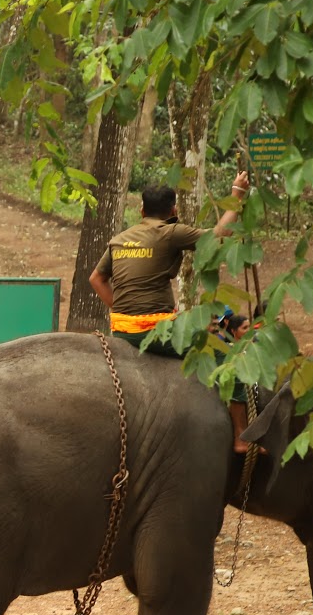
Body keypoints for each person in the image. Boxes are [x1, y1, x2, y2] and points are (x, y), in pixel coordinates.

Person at [90, 174, 255, 452]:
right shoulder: (169, 232)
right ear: (173, 211)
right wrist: (237, 194)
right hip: (155, 332)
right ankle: (241, 435)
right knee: (229, 358)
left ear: (141, 211)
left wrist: (122, 310)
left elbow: (96, 278)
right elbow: (217, 237)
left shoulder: (119, 239)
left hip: (120, 330)